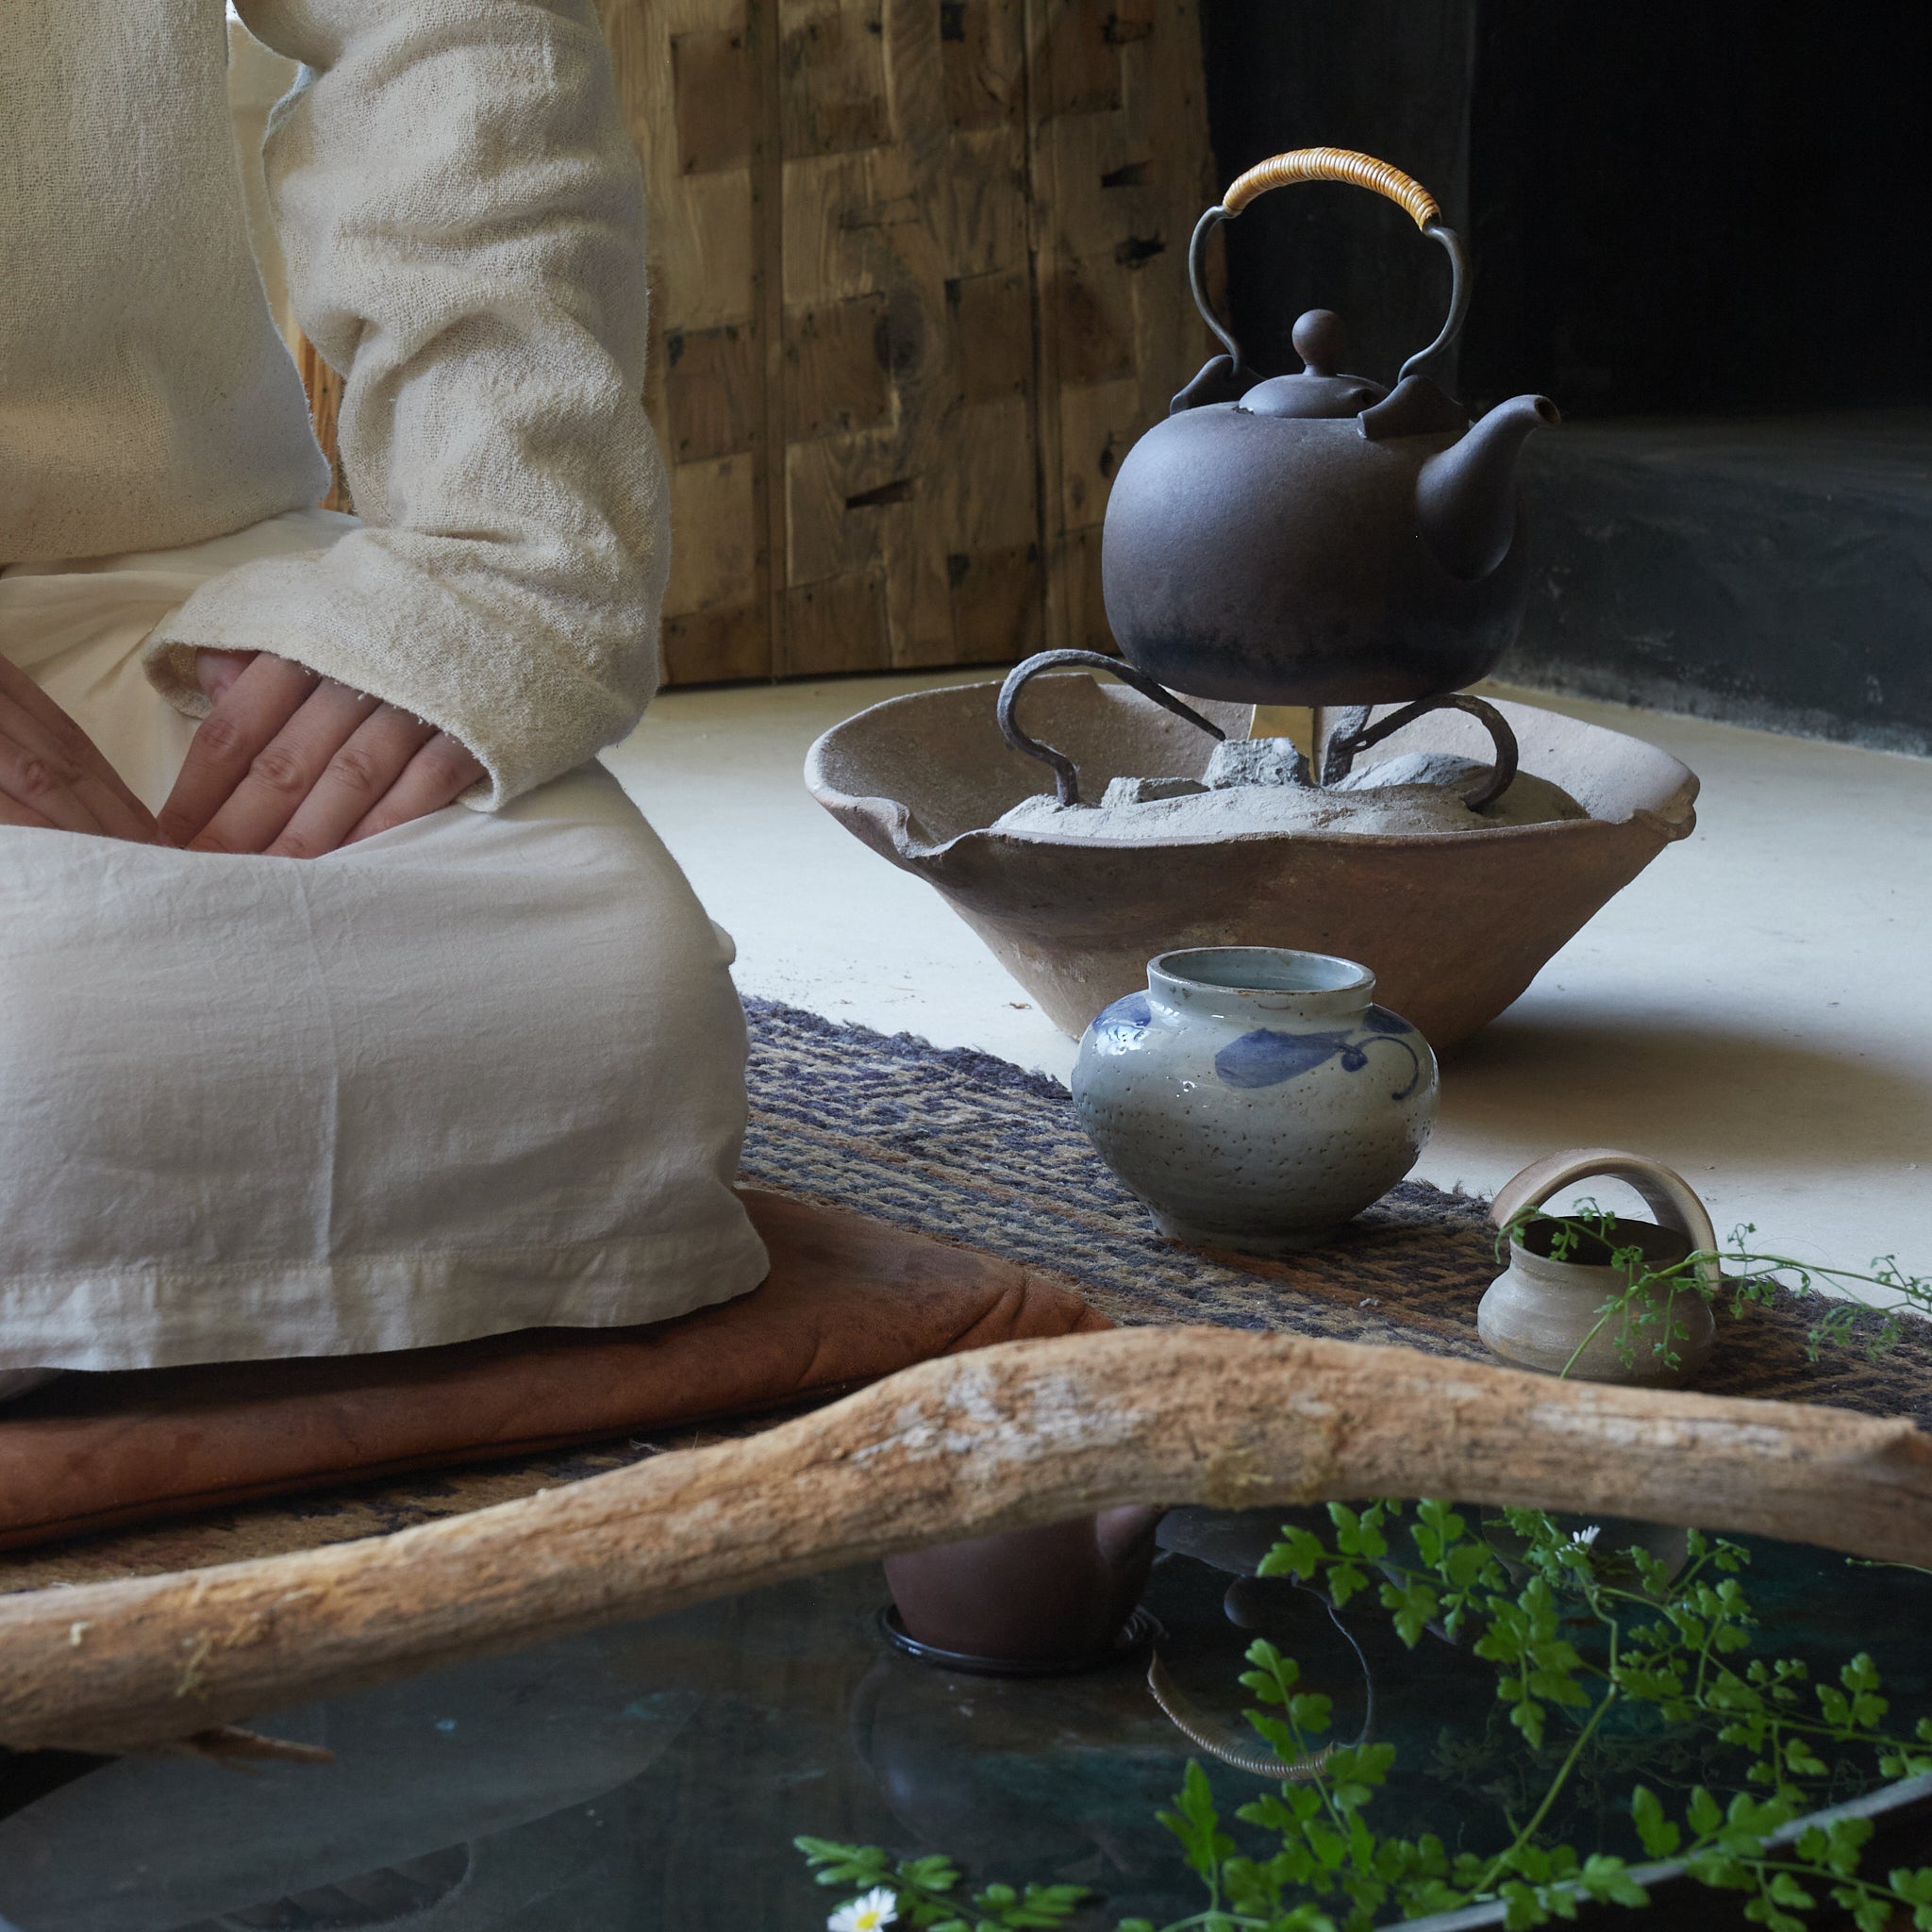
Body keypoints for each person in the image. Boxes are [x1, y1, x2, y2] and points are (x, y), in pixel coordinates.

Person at [0, 0, 769, 1395]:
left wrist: (499, 558)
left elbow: (451, 26)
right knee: (48, 1070)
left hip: (151, 559)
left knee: (605, 1010)